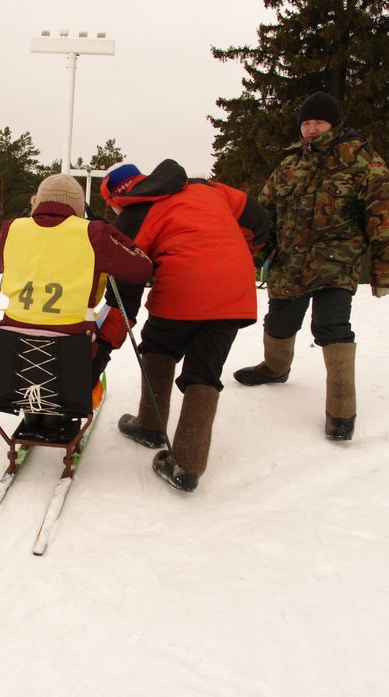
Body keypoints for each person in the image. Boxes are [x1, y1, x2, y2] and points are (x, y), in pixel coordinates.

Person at [232, 91, 389, 441]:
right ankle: (275, 368)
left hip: (335, 264)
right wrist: (248, 259)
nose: (311, 129)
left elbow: (385, 216)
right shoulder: (290, 164)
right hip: (289, 263)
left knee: (332, 326)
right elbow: (265, 216)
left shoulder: (360, 160)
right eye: (306, 123)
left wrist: (385, 271)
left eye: (318, 122)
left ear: (333, 123)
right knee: (279, 322)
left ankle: (342, 409)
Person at [100, 160, 271, 492]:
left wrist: (118, 325)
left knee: (158, 346)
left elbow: (126, 280)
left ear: (115, 201)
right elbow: (259, 220)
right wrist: (235, 252)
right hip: (235, 289)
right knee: (204, 372)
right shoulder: (206, 186)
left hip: (181, 288)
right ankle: (187, 465)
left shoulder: (134, 213)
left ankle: (150, 426)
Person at [0, 172, 153, 439]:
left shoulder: (15, 229)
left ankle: (33, 414)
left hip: (11, 361)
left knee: (29, 344)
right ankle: (57, 415)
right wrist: (106, 229)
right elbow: (142, 269)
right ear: (79, 208)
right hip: (74, 359)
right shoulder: (93, 233)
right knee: (105, 333)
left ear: (38, 202)